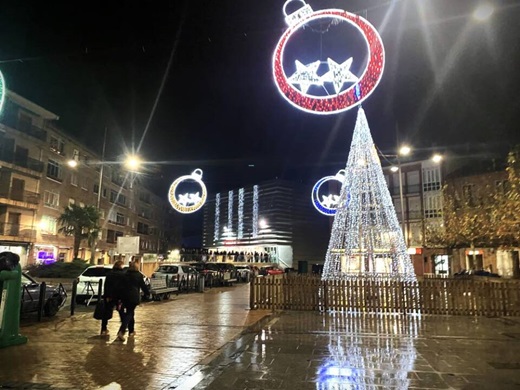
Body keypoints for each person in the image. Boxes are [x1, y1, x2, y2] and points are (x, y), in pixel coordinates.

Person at [117, 261, 150, 341]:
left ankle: (131, 331)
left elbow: (120, 285)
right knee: (130, 313)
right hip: (133, 296)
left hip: (124, 296)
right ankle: (121, 331)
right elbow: (143, 286)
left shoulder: (124, 274)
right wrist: (147, 293)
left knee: (130, 312)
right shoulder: (138, 275)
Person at [100, 260, 126, 336]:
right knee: (121, 312)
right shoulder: (122, 275)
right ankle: (123, 328)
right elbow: (123, 287)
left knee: (106, 312)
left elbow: (106, 285)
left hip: (110, 296)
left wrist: (107, 295)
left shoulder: (109, 274)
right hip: (119, 296)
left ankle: (103, 329)